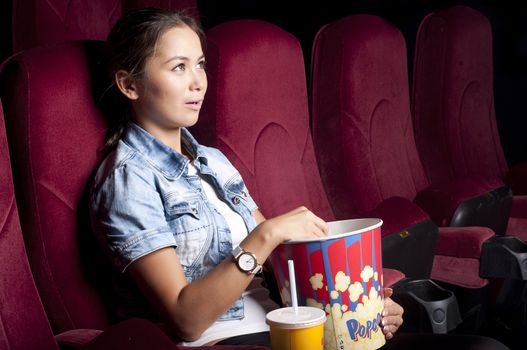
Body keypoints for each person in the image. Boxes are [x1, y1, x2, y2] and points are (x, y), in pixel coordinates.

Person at [90, 8, 508, 350]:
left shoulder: (212, 161)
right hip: (228, 342)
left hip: (291, 328)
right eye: (178, 67)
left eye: (199, 64)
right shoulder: (128, 180)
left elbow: (281, 272)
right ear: (130, 85)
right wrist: (265, 234)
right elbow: (187, 319)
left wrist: (354, 308)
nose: (198, 81)